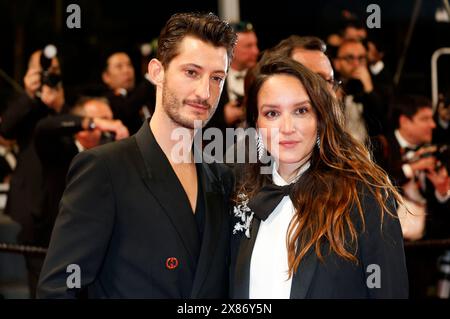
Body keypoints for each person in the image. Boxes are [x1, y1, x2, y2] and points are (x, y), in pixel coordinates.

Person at [37, 12, 237, 299]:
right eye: (191, 72)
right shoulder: (104, 169)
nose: (204, 92)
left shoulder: (223, 178)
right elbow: (58, 290)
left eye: (217, 77)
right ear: (157, 71)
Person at [230, 57, 408, 298]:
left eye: (301, 111)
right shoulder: (239, 195)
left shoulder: (365, 197)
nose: (287, 127)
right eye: (272, 113)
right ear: (256, 124)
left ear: (320, 119)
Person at [0, 49, 65, 297]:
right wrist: (29, 95)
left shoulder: (62, 100)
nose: (50, 74)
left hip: (63, 203)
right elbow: (6, 128)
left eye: (55, 70)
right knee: (37, 281)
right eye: (44, 70)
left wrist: (58, 105)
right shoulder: (25, 105)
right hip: (32, 208)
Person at [383, 95, 449, 240]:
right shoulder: (381, 147)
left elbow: (441, 213)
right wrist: (412, 168)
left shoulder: (435, 152)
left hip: (427, 246)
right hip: (388, 242)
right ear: (405, 121)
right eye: (425, 119)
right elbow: (378, 188)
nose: (433, 125)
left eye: (432, 118)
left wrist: (442, 192)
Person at [206, 21, 259, 132]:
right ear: (231, 49)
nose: (256, 51)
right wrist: (223, 117)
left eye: (255, 45)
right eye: (248, 46)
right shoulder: (210, 78)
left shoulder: (262, 76)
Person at [102, 51, 156, 134]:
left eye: (129, 65)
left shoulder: (143, 93)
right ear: (106, 77)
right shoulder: (105, 102)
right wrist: (149, 80)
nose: (126, 70)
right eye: (119, 67)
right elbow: (125, 110)